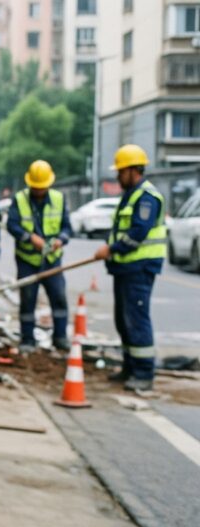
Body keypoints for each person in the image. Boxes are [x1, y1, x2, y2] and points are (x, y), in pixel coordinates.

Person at [94, 144, 166, 391]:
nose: (117, 176)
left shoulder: (146, 197)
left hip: (139, 268)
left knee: (136, 318)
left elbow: (138, 232)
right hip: (125, 268)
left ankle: (144, 374)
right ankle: (130, 367)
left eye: (121, 171)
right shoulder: (130, 194)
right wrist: (109, 248)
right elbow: (120, 230)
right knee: (123, 320)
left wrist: (112, 250)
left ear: (134, 170)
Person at [6, 160, 73, 353]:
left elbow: (67, 228)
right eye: (35, 188)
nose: (38, 191)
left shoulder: (59, 199)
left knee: (58, 298)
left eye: (41, 188)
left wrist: (60, 239)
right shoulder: (19, 200)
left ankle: (60, 337)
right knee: (28, 300)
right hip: (28, 260)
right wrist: (29, 238)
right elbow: (12, 225)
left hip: (52, 261)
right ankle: (28, 339)